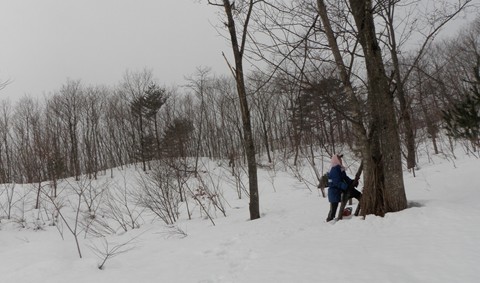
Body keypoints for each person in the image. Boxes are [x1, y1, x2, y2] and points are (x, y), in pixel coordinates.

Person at [326, 154, 357, 222]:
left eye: (341, 159)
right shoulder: (334, 169)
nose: (341, 160)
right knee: (333, 209)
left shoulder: (339, 168)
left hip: (338, 190)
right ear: (336, 160)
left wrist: (352, 182)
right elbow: (337, 182)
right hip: (334, 191)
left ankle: (331, 219)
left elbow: (345, 178)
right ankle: (329, 221)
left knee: (355, 193)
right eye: (339, 159)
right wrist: (346, 187)